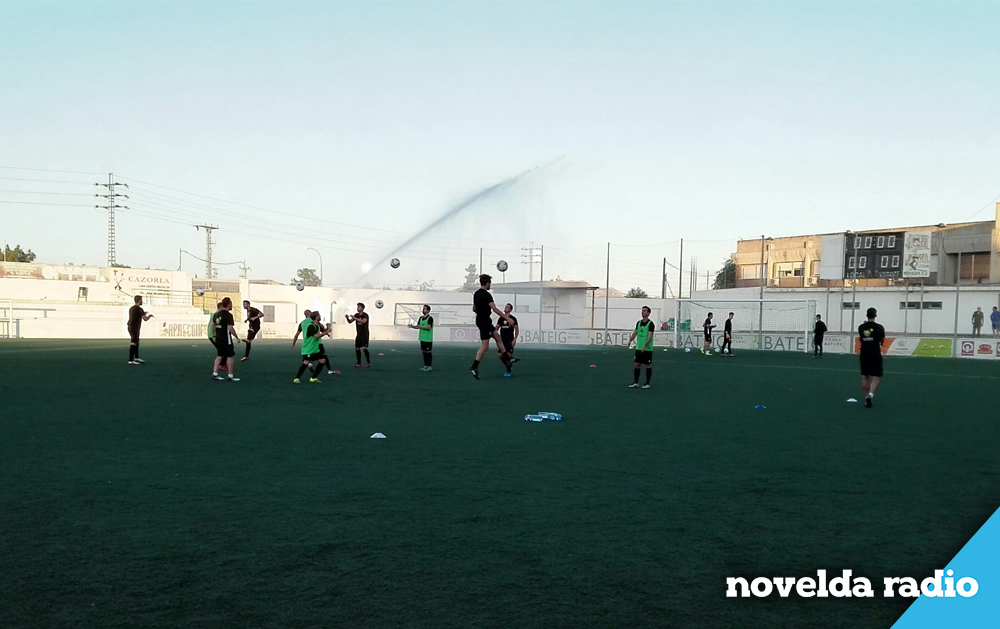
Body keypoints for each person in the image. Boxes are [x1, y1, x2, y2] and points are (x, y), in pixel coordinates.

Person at [470, 274, 515, 380]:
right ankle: (474, 367)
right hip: (484, 321)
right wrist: (507, 318)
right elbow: (495, 309)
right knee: (485, 345)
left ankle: (508, 359)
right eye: (490, 283)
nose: (490, 285)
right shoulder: (487, 295)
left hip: (482, 320)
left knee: (498, 338)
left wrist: (481, 313)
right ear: (487, 283)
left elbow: (474, 309)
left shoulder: (476, 294)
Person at [858, 307, 886, 408]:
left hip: (864, 353)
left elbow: (861, 339)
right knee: (876, 377)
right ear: (875, 315)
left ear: (867, 315)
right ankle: (870, 395)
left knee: (865, 376)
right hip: (875, 353)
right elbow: (882, 341)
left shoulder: (861, 327)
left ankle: (866, 398)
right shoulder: (879, 327)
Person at [212, 297, 243, 381]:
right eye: (231, 303)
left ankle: (215, 373)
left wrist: (214, 336)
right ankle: (230, 375)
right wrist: (237, 337)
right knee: (230, 356)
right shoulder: (229, 315)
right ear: (229, 304)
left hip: (218, 338)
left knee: (219, 355)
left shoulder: (216, 314)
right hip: (226, 339)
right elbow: (230, 328)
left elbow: (213, 325)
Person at [293, 311, 329, 383]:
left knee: (322, 361)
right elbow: (316, 336)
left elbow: (322, 332)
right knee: (306, 362)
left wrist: (328, 328)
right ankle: (296, 378)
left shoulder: (317, 325)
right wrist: (325, 333)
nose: (320, 317)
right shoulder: (311, 326)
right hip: (308, 349)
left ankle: (313, 378)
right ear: (316, 317)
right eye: (319, 315)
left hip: (315, 349)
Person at [628, 305, 655, 389]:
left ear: (648, 313)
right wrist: (630, 340)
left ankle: (647, 383)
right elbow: (635, 332)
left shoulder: (651, 324)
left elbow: (649, 336)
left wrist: (645, 346)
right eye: (642, 310)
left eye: (644, 311)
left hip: (647, 349)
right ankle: (636, 382)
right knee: (636, 364)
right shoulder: (639, 323)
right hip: (638, 348)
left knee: (647, 365)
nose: (642, 312)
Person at [127, 295, 153, 365]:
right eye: (141, 300)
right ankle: (131, 360)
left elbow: (137, 315)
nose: (142, 301)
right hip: (134, 327)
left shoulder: (132, 308)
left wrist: (143, 313)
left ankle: (136, 357)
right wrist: (149, 316)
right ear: (139, 300)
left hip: (131, 327)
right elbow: (145, 319)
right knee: (134, 342)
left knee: (137, 341)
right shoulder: (139, 309)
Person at [408, 304, 434, 371]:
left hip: (428, 339)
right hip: (422, 338)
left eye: (425, 308)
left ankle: (429, 366)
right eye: (423, 308)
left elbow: (428, 327)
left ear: (428, 310)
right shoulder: (421, 318)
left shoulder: (430, 318)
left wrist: (421, 327)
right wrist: (413, 327)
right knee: (424, 352)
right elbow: (418, 326)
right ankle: (425, 366)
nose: (423, 310)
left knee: (428, 353)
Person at [496, 303, 520, 376]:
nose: (505, 308)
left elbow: (516, 329)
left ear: (510, 310)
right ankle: (509, 364)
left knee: (508, 355)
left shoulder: (513, 319)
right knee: (500, 355)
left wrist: (515, 339)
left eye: (507, 307)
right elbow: (497, 327)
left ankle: (508, 371)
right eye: (505, 307)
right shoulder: (501, 318)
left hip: (509, 339)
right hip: (502, 340)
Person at [346, 303, 371, 367]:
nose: (358, 308)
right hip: (359, 334)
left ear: (362, 308)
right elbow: (350, 321)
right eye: (357, 307)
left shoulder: (365, 315)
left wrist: (355, 318)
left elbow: (363, 321)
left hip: (364, 334)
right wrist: (347, 318)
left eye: (359, 307)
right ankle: (358, 363)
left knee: (364, 348)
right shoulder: (356, 315)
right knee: (357, 348)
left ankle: (368, 362)